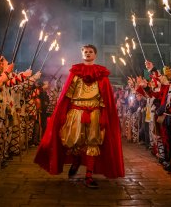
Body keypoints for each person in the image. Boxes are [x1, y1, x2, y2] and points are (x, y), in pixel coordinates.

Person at [34, 44, 124, 188]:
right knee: (74, 141)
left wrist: (104, 116)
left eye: (90, 52)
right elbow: (67, 96)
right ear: (82, 54)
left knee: (93, 142)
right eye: (85, 52)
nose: (88, 54)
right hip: (76, 111)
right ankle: (76, 162)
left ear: (95, 55)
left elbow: (104, 98)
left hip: (94, 112)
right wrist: (63, 114)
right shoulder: (75, 73)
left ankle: (89, 175)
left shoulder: (101, 74)